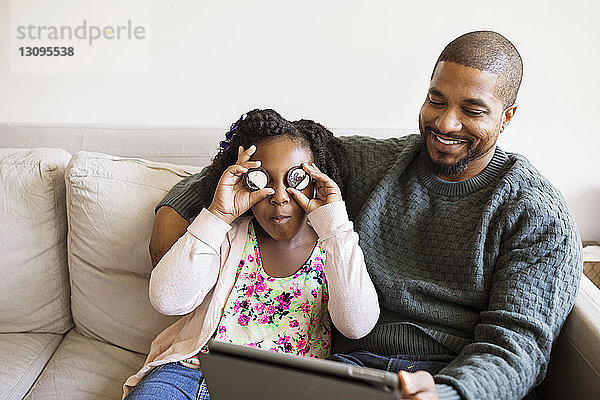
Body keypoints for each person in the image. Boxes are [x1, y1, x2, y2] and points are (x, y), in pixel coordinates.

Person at [146, 31, 583, 400]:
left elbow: (517, 347)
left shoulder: (536, 213)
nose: (446, 123)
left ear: (506, 118)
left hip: (444, 378)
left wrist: (448, 392)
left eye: (472, 110)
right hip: (345, 370)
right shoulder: (370, 162)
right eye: (436, 100)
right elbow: (254, 162)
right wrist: (176, 211)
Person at [123, 109, 380, 399]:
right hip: (189, 374)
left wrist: (335, 227)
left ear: (319, 179)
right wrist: (218, 215)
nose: (280, 196)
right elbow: (166, 300)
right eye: (263, 180)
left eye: (296, 179)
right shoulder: (228, 236)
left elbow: (357, 324)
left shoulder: (335, 248)